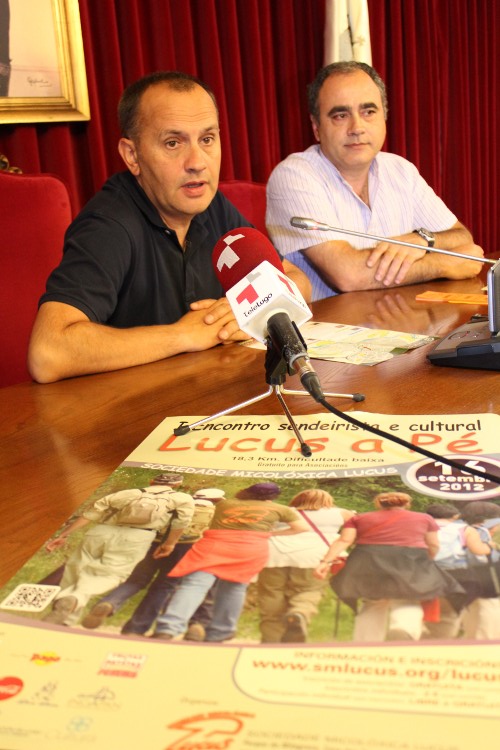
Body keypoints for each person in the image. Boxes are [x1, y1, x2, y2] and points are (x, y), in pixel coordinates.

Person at [28, 71, 310, 383]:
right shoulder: (108, 225)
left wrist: (248, 309)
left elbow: (297, 280)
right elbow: (47, 353)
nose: (197, 162)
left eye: (207, 139)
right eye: (173, 143)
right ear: (132, 156)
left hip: (199, 391)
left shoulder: (210, 204)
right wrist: (183, 335)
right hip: (124, 405)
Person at [266, 61, 484, 301]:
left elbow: (462, 239)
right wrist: (441, 264)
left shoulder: (400, 170)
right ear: (317, 128)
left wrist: (421, 239)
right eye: (340, 115)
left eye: (368, 112)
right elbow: (349, 275)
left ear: (384, 118)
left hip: (402, 317)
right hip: (332, 322)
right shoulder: (293, 176)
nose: (357, 127)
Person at [152, 482, 308, 642]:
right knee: (234, 588)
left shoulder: (225, 504)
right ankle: (221, 631)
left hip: (215, 546)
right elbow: (302, 527)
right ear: (273, 496)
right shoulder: (281, 509)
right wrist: (270, 534)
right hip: (250, 548)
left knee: (194, 585)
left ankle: (168, 628)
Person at [42, 475, 195, 627]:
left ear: (151, 481)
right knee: (111, 574)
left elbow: (91, 513)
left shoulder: (127, 493)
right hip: (137, 537)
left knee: (76, 568)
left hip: (101, 532)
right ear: (177, 484)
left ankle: (65, 619)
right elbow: (181, 522)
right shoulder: (182, 499)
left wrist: (63, 535)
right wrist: (170, 544)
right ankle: (75, 598)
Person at [314, 492, 464, 642]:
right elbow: (433, 544)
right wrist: (426, 561)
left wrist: (325, 562)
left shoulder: (360, 518)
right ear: (407, 504)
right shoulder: (424, 518)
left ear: (378, 504)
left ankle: (366, 642)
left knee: (373, 602)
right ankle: (403, 629)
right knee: (408, 598)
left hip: (369, 560)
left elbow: (344, 540)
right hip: (410, 560)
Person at [81, 486, 224, 638]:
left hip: (154, 544)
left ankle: (110, 602)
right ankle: (135, 629)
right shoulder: (216, 513)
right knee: (164, 587)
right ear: (216, 500)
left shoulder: (179, 503)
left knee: (135, 580)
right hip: (184, 550)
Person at [257, 488, 355, 643]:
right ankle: (299, 613)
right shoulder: (341, 513)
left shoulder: (281, 511)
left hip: (273, 555)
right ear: (328, 501)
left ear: (297, 500)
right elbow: (358, 529)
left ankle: (271, 641)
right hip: (314, 557)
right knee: (309, 590)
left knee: (271, 594)